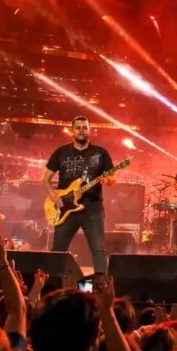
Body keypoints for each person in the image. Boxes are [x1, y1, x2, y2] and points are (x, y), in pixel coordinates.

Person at [43, 115, 116, 279]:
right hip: (65, 208)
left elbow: (113, 178)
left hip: (92, 208)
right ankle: (53, 285)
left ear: (89, 131)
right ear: (72, 131)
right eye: (78, 128)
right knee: (58, 249)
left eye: (85, 128)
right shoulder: (61, 152)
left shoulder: (100, 153)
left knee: (98, 249)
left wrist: (107, 180)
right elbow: (45, 178)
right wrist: (53, 195)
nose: (81, 131)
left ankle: (101, 286)